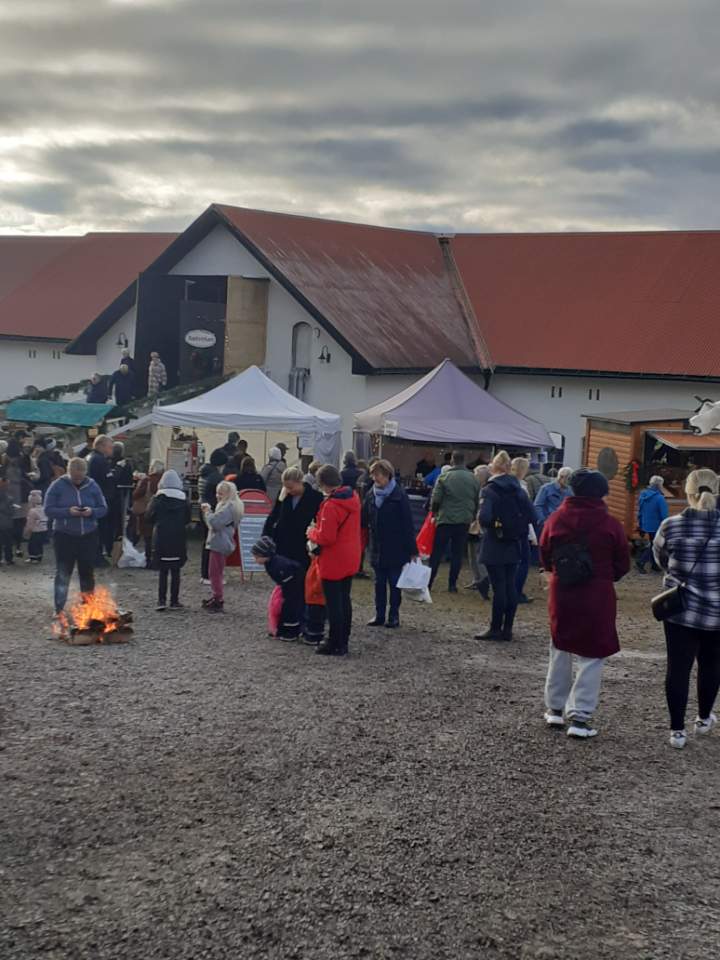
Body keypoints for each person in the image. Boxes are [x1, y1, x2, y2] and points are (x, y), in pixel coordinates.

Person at [540, 468, 630, 738]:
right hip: (597, 594)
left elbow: (544, 554)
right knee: (592, 654)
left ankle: (555, 709)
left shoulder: (556, 519)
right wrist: (604, 576)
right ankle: (580, 717)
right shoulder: (610, 525)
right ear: (601, 493)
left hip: (563, 591)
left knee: (560, 647)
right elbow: (623, 563)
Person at [653, 469, 720, 749]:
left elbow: (661, 559)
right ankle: (703, 719)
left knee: (677, 669)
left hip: (681, 610)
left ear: (687, 493)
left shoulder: (670, 525)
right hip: (718, 612)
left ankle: (677, 731)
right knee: (712, 667)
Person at [475, 451, 536, 642]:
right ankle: (507, 628)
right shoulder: (518, 489)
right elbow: (533, 516)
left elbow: (484, 517)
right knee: (510, 586)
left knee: (498, 587)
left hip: (495, 542)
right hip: (515, 542)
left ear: (494, 467)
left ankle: (495, 627)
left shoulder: (490, 489)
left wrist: (494, 526)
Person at [44, 458, 108, 622]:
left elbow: (103, 508)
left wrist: (91, 511)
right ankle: (58, 608)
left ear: (85, 473)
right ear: (69, 472)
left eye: (80, 477)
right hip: (64, 535)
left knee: (87, 572)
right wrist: (68, 511)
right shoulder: (58, 485)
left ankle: (88, 607)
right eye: (74, 477)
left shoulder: (93, 486)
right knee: (63, 572)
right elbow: (48, 509)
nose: (78, 480)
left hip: (88, 534)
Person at [307, 465, 361, 656]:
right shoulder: (352, 497)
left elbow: (327, 537)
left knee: (333, 603)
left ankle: (334, 642)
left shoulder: (331, 505)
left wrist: (311, 532)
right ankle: (343, 640)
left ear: (322, 483)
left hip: (334, 558)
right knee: (344, 599)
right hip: (351, 554)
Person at [362, 459, 417, 629]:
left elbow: (408, 524)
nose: (374, 479)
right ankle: (379, 614)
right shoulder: (370, 494)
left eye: (377, 475)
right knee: (379, 583)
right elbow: (363, 519)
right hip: (377, 546)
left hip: (396, 547)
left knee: (394, 583)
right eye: (373, 475)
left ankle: (393, 615)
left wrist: (412, 550)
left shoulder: (399, 496)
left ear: (387, 475)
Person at [428, 451, 480, 593]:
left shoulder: (444, 476)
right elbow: (477, 500)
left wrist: (434, 514)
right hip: (464, 520)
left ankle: (429, 582)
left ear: (452, 461)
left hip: (445, 519)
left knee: (437, 553)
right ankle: (452, 585)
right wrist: (473, 516)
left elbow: (436, 499)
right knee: (457, 554)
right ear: (464, 460)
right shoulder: (473, 479)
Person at [145, 470, 191, 611]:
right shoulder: (184, 500)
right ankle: (175, 600)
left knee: (163, 570)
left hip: (161, 536)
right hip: (178, 536)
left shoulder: (157, 499)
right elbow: (187, 519)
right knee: (176, 570)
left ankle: (161, 600)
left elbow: (148, 517)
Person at [263, 467, 323, 566]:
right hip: (283, 545)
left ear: (300, 482)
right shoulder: (283, 494)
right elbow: (274, 515)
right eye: (286, 487)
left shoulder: (316, 497)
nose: (288, 490)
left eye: (291, 487)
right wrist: (266, 536)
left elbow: (319, 522)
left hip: (303, 546)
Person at [201, 480, 244, 613]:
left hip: (219, 542)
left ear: (228, 494)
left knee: (214, 573)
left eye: (220, 493)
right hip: (222, 541)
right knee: (216, 572)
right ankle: (216, 597)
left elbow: (214, 523)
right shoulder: (232, 505)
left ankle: (217, 599)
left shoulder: (228, 507)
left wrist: (208, 511)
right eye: (217, 493)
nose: (218, 496)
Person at [252, 535, 305, 640]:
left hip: (294, 584)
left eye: (257, 557)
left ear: (264, 555)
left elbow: (291, 581)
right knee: (284, 605)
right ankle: (284, 629)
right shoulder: (272, 563)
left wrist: (285, 592)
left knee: (290, 607)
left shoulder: (277, 565)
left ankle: (291, 632)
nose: (255, 559)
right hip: (290, 582)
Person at [511, 456, 539, 605]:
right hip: (521, 529)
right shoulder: (522, 488)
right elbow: (527, 514)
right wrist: (532, 535)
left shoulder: (506, 484)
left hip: (509, 529)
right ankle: (517, 592)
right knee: (523, 562)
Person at [198, 450, 227, 582]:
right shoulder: (216, 477)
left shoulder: (204, 473)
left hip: (203, 509)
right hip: (213, 511)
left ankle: (205, 574)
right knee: (214, 545)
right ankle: (211, 575)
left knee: (207, 543)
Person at [87, 435, 115, 564]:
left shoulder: (89, 458)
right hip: (100, 499)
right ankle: (96, 556)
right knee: (100, 528)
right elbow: (107, 480)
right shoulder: (99, 461)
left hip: (91, 498)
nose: (112, 450)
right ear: (101, 446)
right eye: (110, 447)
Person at [132, 460, 165, 567]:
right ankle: (157, 559)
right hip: (160, 513)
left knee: (148, 538)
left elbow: (136, 494)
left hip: (146, 512)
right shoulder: (164, 481)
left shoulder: (147, 480)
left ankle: (149, 561)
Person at [4, 438, 31, 558]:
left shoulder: (4, 461)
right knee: (21, 521)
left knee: (10, 521)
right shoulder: (24, 459)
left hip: (8, 495)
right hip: (23, 494)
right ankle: (19, 546)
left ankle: (10, 547)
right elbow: (30, 474)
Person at [636, 476, 669, 573]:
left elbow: (640, 510)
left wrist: (640, 522)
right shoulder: (660, 498)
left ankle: (654, 564)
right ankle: (641, 561)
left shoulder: (643, 494)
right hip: (656, 525)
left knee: (653, 542)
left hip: (646, 524)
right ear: (659, 485)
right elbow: (664, 514)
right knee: (655, 545)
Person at [468, 464, 491, 599]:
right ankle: (478, 580)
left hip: (477, 527)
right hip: (476, 526)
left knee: (477, 555)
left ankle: (482, 580)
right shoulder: (483, 489)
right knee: (474, 555)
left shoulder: (483, 491)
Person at [24, 489, 48, 563]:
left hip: (35, 530)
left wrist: (27, 531)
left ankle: (33, 558)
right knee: (39, 544)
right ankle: (39, 557)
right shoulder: (44, 508)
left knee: (32, 544)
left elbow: (30, 523)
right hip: (43, 529)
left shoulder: (32, 511)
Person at [0, 471, 15, 566]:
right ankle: (9, 559)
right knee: (8, 542)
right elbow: (10, 511)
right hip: (6, 524)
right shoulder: (9, 498)